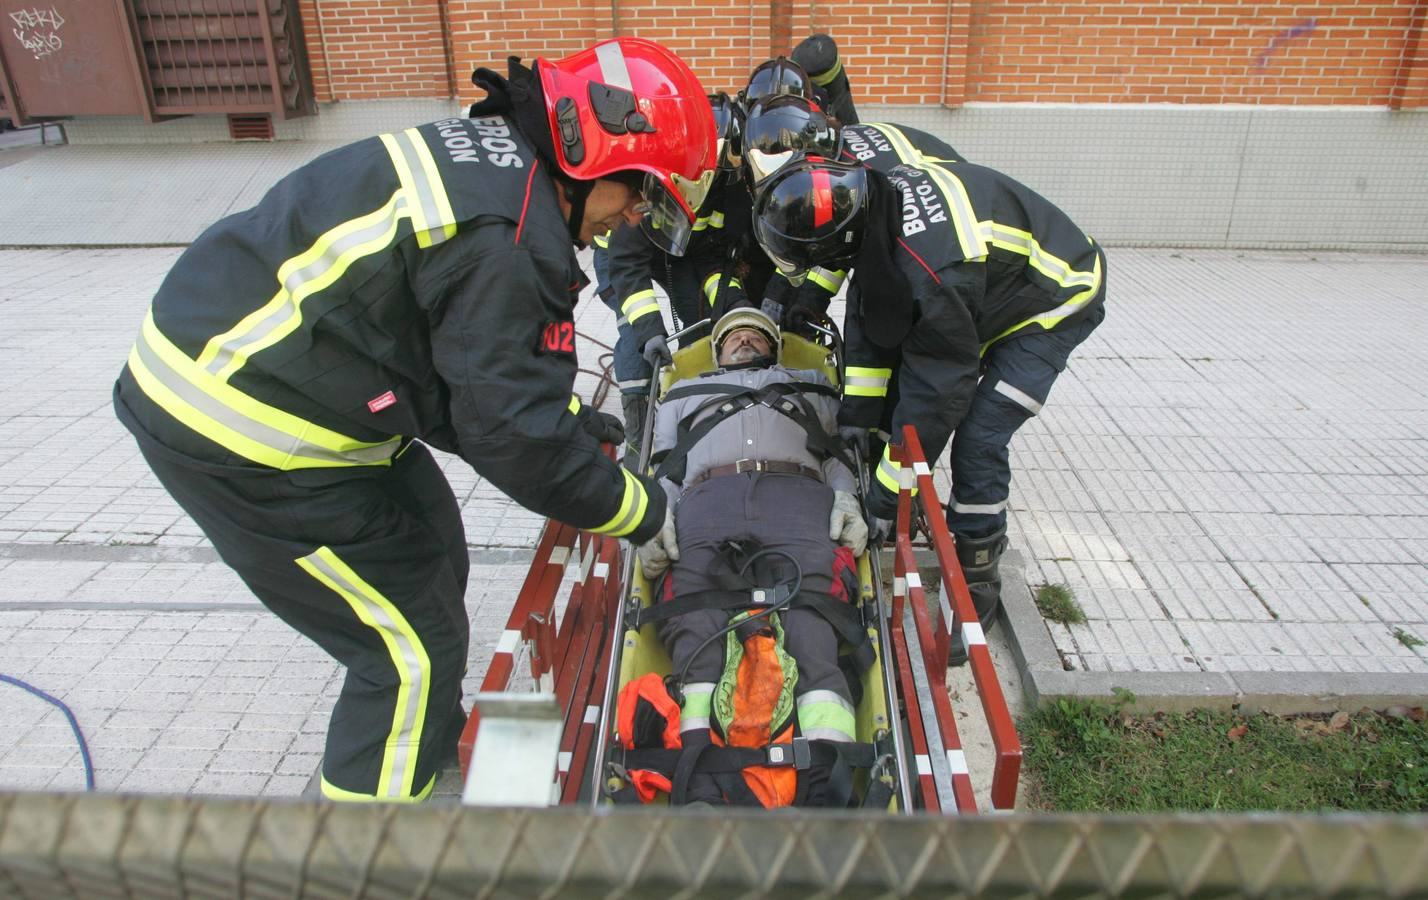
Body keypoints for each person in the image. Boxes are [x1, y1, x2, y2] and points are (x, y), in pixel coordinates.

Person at [112, 38, 715, 803]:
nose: (630, 218)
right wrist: (639, 509)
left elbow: (465, 360)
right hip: (239, 426)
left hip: (294, 373)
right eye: (639, 194)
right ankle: (378, 841)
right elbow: (513, 439)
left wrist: (565, 427)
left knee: (432, 546)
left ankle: (422, 738)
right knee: (409, 650)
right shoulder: (510, 242)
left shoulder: (499, 159)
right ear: (598, 155)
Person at [751, 154, 1107, 631]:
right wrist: (858, 417)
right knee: (900, 398)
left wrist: (882, 501)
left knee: (980, 435)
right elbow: (869, 322)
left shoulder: (931, 274)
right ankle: (900, 496)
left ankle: (977, 574)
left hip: (1058, 298)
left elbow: (936, 394)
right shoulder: (873, 207)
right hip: (989, 284)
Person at [627, 308, 870, 807]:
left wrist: (846, 499)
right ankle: (699, 783)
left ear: (773, 348)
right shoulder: (683, 393)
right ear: (716, 352)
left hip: (799, 499)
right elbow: (664, 465)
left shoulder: (811, 385)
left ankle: (823, 789)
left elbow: (839, 455)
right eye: (731, 335)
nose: (743, 339)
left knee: (813, 626)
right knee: (696, 625)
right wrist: (654, 521)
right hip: (707, 502)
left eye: (755, 334)